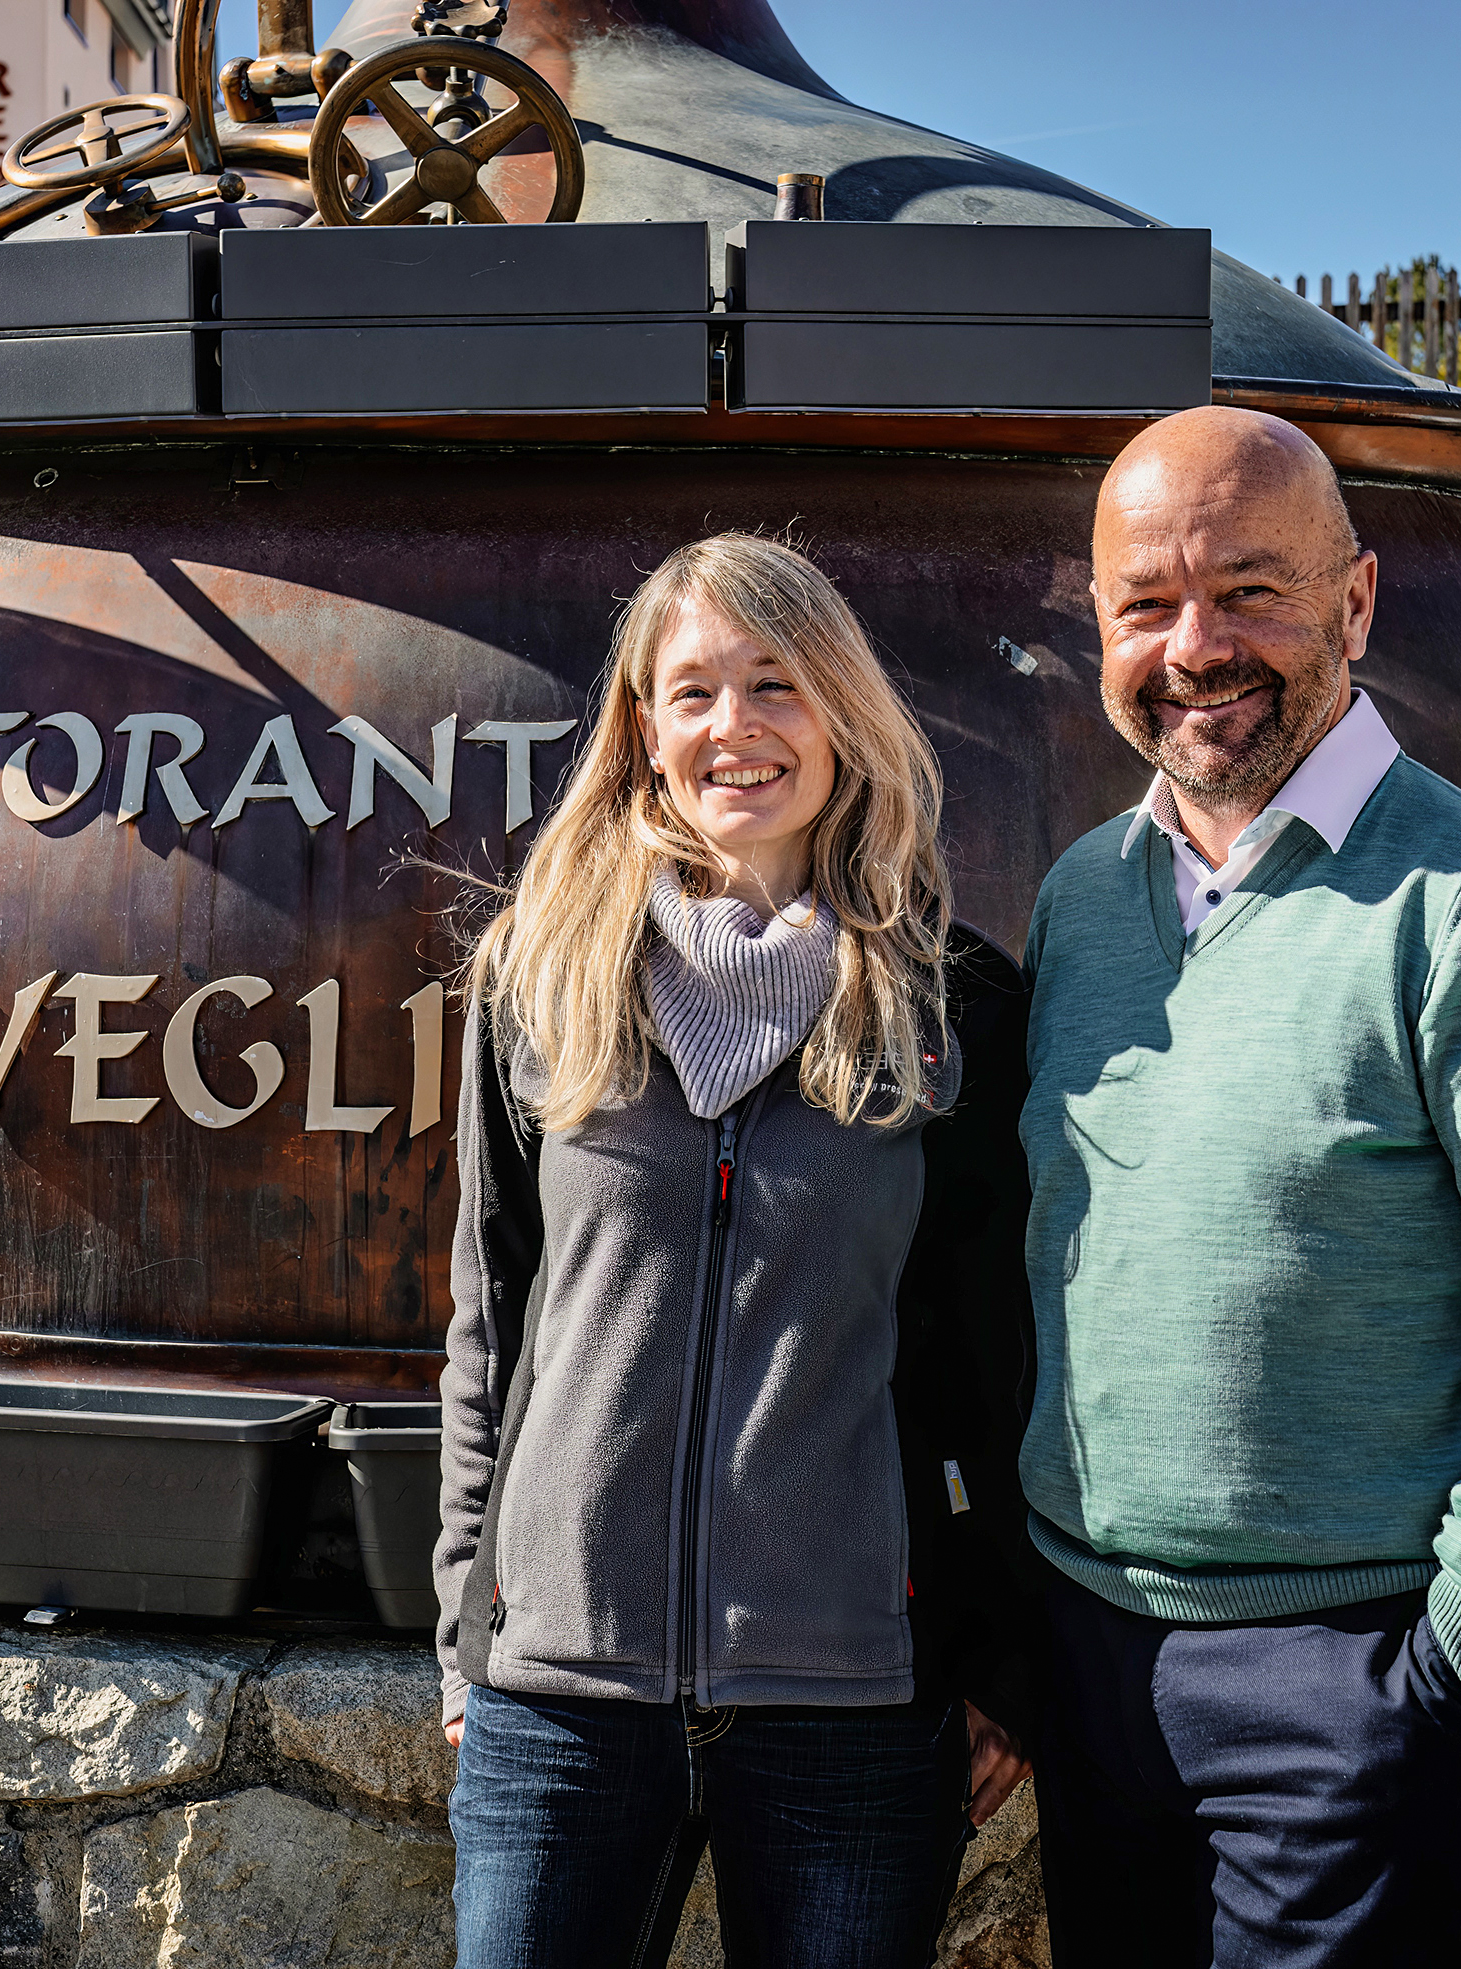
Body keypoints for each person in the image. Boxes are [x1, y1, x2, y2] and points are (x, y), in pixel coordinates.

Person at [1019, 404, 1461, 1966]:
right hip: (1094, 1657)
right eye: (1145, 603)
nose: (1194, 646)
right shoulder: (1081, 898)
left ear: (1356, 602)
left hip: (1357, 1680)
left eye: (1248, 591)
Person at [436, 532, 1038, 1969]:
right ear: (643, 727)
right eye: (692, 690)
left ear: (840, 710)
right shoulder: (541, 974)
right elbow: (491, 1312)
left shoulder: (952, 1004)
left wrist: (1000, 1652)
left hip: (851, 1702)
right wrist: (469, 1619)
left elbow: (1005, 1363)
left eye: (775, 682)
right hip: (560, 1697)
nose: (734, 726)